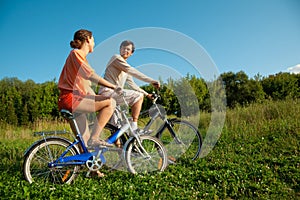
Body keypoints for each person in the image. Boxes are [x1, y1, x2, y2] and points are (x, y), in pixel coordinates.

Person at [58, 29, 120, 147]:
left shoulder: (79, 58)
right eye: (93, 40)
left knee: (84, 143)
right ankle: (95, 138)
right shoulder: (76, 53)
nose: (94, 43)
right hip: (71, 99)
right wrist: (113, 86)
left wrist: (100, 97)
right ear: (87, 40)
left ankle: (80, 164)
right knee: (111, 103)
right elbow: (90, 75)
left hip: (70, 100)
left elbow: (86, 88)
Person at [99, 40, 160, 132]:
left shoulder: (125, 68)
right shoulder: (116, 58)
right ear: (120, 50)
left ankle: (118, 146)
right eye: (123, 48)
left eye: (128, 49)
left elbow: (133, 85)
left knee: (116, 128)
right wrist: (151, 81)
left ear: (131, 53)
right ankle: (134, 126)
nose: (125, 51)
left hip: (115, 97)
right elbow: (132, 71)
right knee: (138, 96)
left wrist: (147, 94)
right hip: (108, 92)